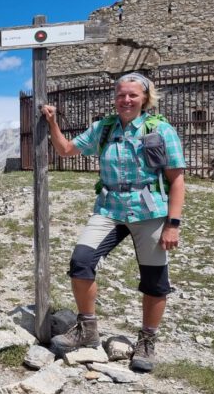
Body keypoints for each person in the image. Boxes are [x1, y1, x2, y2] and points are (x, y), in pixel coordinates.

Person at [40, 72, 185, 372]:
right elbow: (66, 150)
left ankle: (147, 340)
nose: (126, 100)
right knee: (81, 261)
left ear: (145, 97)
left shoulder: (160, 130)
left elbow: (177, 180)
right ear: (115, 98)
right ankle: (87, 330)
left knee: (155, 280)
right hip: (109, 209)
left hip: (150, 212)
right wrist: (53, 123)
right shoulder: (103, 128)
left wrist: (173, 223)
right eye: (121, 95)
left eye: (133, 95)